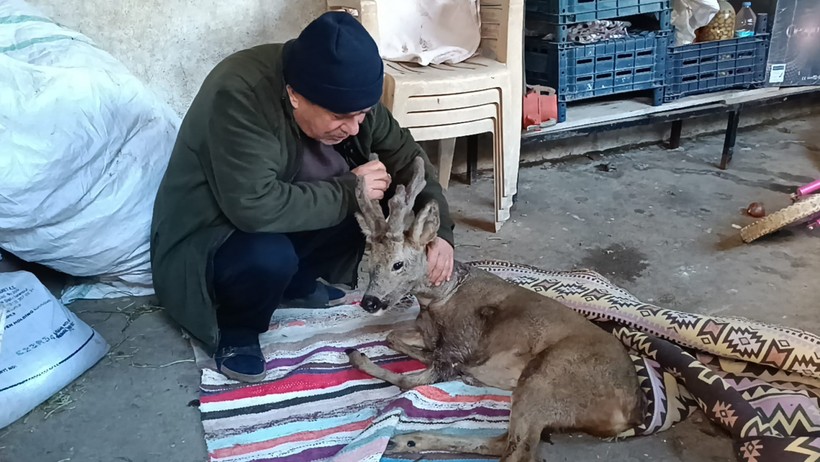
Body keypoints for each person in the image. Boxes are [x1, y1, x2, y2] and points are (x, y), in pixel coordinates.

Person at [149, 11, 456, 383]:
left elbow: (408, 159)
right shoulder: (239, 94)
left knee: (379, 200)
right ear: (295, 95)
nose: (355, 126)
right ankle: (238, 328)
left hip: (285, 214)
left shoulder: (350, 96)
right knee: (270, 255)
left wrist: (438, 232)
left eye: (363, 114)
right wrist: (348, 190)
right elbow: (253, 208)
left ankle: (295, 283)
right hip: (213, 234)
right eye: (342, 117)